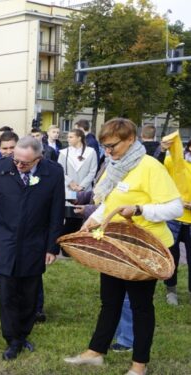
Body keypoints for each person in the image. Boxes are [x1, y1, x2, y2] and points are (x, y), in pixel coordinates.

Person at [64, 118, 183, 375]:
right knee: (110, 301)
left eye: (112, 146)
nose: (107, 151)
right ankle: (96, 352)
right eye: (105, 146)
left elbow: (175, 207)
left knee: (140, 306)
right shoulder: (114, 165)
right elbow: (110, 202)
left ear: (130, 139)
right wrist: (93, 220)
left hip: (144, 249)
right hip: (115, 244)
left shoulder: (150, 166)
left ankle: (139, 365)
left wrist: (140, 209)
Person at [0, 136, 64, 360]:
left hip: (35, 241)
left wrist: (52, 247)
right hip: (5, 239)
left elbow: (57, 213)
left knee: (29, 291)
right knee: (7, 291)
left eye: (24, 163)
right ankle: (12, 339)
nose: (17, 165)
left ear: (39, 158)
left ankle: (24, 332)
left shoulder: (53, 173)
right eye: (15, 160)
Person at [159, 135, 191, 306]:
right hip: (174, 219)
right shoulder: (174, 162)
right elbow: (156, 167)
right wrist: (162, 149)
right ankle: (171, 290)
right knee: (172, 257)